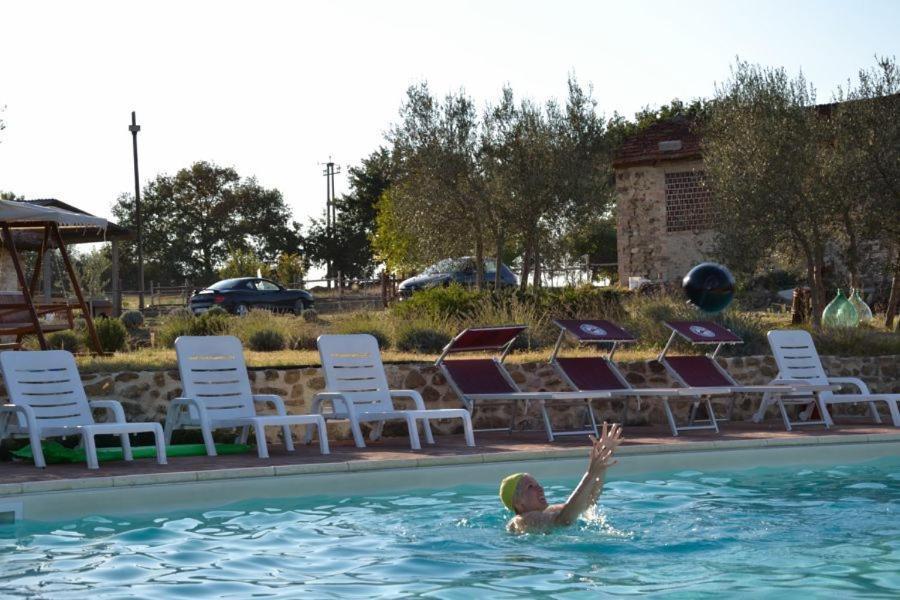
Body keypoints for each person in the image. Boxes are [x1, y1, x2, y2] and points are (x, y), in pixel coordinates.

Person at [499, 422, 623, 534]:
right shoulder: (521, 520)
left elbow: (588, 502)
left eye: (538, 485)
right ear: (519, 503)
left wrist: (602, 460)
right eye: (530, 487)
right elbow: (565, 520)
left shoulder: (548, 511)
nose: (540, 489)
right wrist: (590, 473)